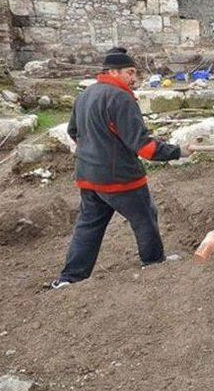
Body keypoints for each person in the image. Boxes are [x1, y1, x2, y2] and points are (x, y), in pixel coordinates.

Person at [51, 47, 192, 288]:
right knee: (145, 218)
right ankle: (154, 262)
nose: (134, 78)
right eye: (130, 72)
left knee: (89, 225)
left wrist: (93, 151)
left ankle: (69, 278)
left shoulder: (86, 94)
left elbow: (73, 132)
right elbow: (143, 147)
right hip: (120, 179)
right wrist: (178, 151)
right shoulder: (121, 98)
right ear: (113, 72)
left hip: (88, 175)